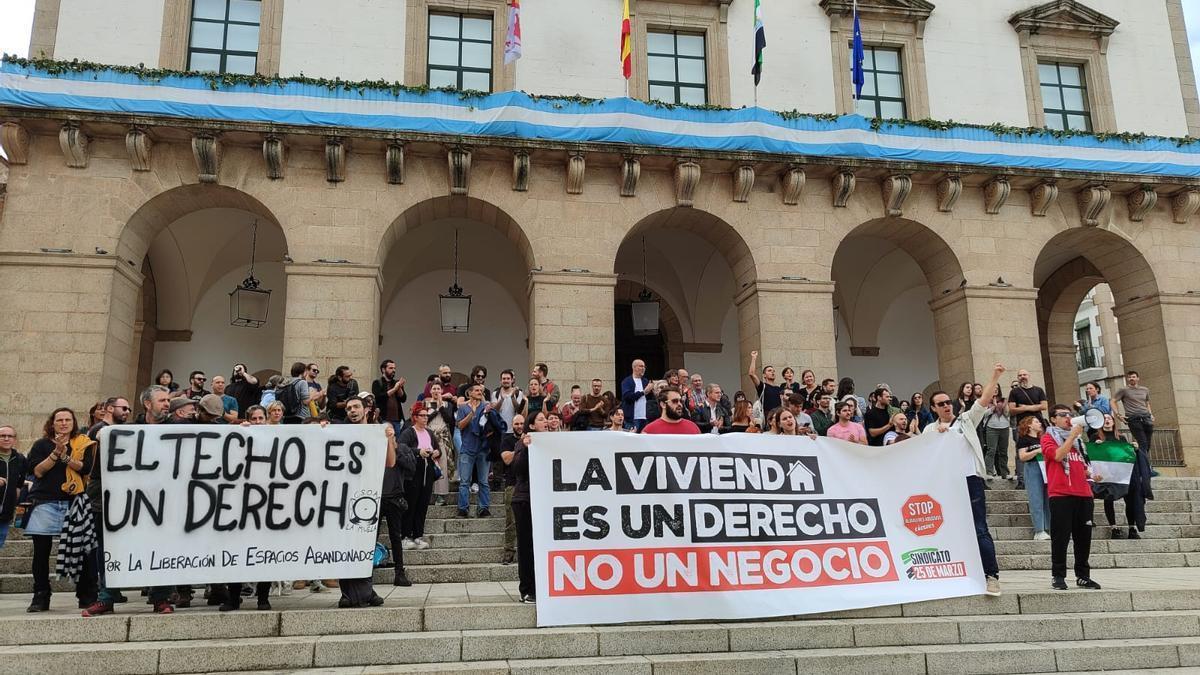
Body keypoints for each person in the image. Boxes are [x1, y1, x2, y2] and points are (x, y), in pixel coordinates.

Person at [924, 363, 1007, 597]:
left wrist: (995, 374)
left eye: (948, 402)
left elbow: (985, 399)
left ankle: (992, 576)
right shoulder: (929, 430)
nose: (947, 406)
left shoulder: (966, 421)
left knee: (980, 528)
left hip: (970, 481)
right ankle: (955, 574)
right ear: (933, 408)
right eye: (941, 404)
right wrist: (934, 438)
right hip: (944, 485)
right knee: (947, 528)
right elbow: (919, 456)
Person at [26, 408, 97, 612]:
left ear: (73, 423)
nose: (64, 423)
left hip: (74, 501)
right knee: (41, 552)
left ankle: (86, 595)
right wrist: (56, 453)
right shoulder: (42, 444)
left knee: (84, 550)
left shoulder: (83, 443)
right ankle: (41, 595)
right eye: (59, 420)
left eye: (68, 420)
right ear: (53, 423)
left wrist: (66, 456)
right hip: (46, 501)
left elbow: (85, 469)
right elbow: (37, 471)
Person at [339, 396, 398, 607]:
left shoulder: (376, 431)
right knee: (345, 545)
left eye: (356, 407)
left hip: (368, 497)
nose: (352, 411)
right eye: (348, 408)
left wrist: (390, 439)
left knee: (367, 544)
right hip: (344, 497)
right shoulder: (341, 432)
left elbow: (390, 462)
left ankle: (366, 589)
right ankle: (347, 593)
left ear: (366, 409)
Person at [78, 397, 132, 617]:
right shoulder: (100, 430)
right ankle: (105, 592)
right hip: (101, 493)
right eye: (124, 408)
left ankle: (111, 590)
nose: (127, 412)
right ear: (110, 409)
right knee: (103, 544)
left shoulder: (113, 430)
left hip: (113, 493)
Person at [1041, 404, 1102, 591]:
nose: (1068, 417)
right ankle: (1058, 576)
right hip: (1061, 495)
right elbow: (1058, 456)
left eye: (1070, 414)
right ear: (1053, 419)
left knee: (1083, 538)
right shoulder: (1048, 438)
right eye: (1062, 415)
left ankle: (1083, 575)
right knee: (1061, 538)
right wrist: (1073, 436)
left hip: (1083, 494)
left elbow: (1082, 467)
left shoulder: (1079, 443)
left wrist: (1091, 474)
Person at [503, 409, 544, 604]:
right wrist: (526, 449)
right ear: (532, 425)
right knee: (526, 546)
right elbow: (516, 468)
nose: (545, 422)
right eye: (541, 419)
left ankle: (541, 586)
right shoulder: (524, 442)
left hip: (543, 500)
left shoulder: (551, 443)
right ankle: (527, 589)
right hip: (524, 499)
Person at [1092, 414, 1152, 540]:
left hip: (1122, 474)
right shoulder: (1095, 437)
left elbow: (1127, 456)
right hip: (1106, 474)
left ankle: (1132, 527)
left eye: (1109, 418)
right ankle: (1114, 527)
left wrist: (1135, 449)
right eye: (1104, 419)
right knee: (1108, 499)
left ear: (1113, 422)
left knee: (1130, 500)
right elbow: (1092, 456)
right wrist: (1096, 446)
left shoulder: (1121, 438)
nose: (1107, 420)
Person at [399, 402, 440, 562]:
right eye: (422, 415)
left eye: (426, 415)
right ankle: (405, 536)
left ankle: (418, 535)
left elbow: (437, 449)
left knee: (422, 505)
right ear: (415, 417)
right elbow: (401, 447)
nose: (425, 418)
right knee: (411, 504)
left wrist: (436, 452)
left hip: (427, 471)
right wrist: (417, 451)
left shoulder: (429, 432)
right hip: (413, 473)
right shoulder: (409, 432)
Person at [456, 384, 503, 518]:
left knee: (483, 481)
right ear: (469, 393)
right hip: (467, 447)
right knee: (465, 481)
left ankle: (483, 508)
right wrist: (472, 413)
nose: (479, 392)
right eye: (477, 390)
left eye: (481, 391)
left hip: (483, 449)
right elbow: (460, 425)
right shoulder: (463, 408)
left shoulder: (486, 407)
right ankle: (463, 508)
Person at [1008, 369, 1048, 490]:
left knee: (1043, 447)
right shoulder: (1014, 392)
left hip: (1038, 425)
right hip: (1022, 426)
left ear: (1029, 376)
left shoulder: (1038, 390)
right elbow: (1012, 409)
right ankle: (1021, 480)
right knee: (1020, 451)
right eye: (1019, 375)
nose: (1022, 377)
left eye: (1024, 375)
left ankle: (1046, 475)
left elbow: (1044, 406)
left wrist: (1026, 407)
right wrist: (1034, 407)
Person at [1015, 416, 1051, 541]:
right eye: (1036, 422)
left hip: (1045, 468)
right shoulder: (1024, 439)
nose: (1039, 423)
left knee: (1048, 498)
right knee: (1036, 498)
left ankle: (1049, 526)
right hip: (1032, 467)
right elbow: (1022, 456)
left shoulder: (1043, 438)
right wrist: (1036, 451)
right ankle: (1039, 529)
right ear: (1029, 425)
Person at [497, 414, 524, 565]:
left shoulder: (531, 438)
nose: (519, 426)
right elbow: (506, 459)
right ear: (512, 425)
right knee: (511, 520)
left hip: (528, 484)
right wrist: (520, 445)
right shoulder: (507, 440)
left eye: (521, 424)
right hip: (512, 485)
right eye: (517, 424)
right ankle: (509, 551)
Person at [0, 425, 29, 550]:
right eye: (2, 436)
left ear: (15, 439)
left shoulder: (20, 459)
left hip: (6, 513)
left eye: (10, 436)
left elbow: (19, 485)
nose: (6, 439)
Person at [1114, 371, 1154, 457]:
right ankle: (1144, 464)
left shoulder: (1145, 390)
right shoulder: (1123, 390)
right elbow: (1113, 401)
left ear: (1138, 378)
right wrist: (1118, 415)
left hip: (1146, 417)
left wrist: (1151, 414)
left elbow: (1147, 403)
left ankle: (1144, 462)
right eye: (1129, 377)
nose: (1131, 378)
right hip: (1133, 418)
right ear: (1127, 379)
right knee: (1142, 441)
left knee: (1148, 442)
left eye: (1133, 377)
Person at [373, 359, 408, 436]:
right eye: (391, 368)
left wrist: (399, 388)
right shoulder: (377, 383)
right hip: (383, 419)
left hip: (397, 420)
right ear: (383, 369)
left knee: (397, 443)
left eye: (394, 368)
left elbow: (403, 399)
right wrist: (394, 389)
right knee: (386, 442)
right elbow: (379, 397)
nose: (394, 370)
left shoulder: (396, 383)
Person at [747, 351, 783, 418]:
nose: (772, 372)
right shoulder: (762, 386)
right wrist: (754, 358)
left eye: (773, 371)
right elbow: (751, 374)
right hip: (768, 416)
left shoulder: (779, 388)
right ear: (764, 375)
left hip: (779, 416)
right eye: (769, 371)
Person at [620, 359, 652, 432]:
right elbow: (627, 396)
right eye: (641, 366)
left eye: (644, 366)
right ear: (634, 367)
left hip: (645, 418)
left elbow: (650, 398)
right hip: (632, 418)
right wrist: (643, 392)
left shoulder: (645, 381)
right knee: (631, 440)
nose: (643, 368)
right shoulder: (627, 381)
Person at [983, 394, 1011, 478]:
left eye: (997, 388)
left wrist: (1004, 406)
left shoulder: (1004, 401)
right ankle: (989, 472)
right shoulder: (987, 400)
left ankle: (1005, 473)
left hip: (1004, 427)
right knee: (991, 450)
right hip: (991, 428)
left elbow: (1007, 414)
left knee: (1003, 451)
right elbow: (984, 414)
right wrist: (994, 406)